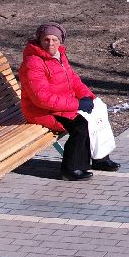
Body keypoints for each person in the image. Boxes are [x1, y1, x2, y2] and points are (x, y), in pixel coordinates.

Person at [19, 22, 120, 180]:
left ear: (60, 41)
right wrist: (78, 105)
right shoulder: (33, 62)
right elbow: (41, 99)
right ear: (40, 40)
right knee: (80, 125)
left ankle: (100, 158)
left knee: (98, 111)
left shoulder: (59, 55)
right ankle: (71, 169)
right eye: (46, 40)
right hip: (41, 111)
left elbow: (73, 80)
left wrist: (88, 97)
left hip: (60, 104)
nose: (51, 44)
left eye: (55, 40)